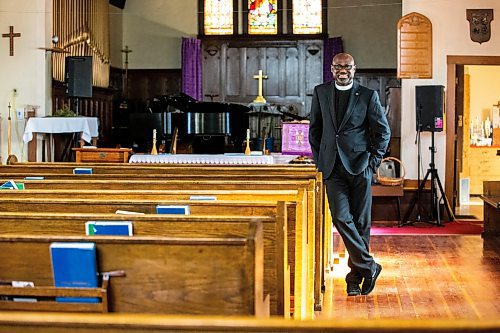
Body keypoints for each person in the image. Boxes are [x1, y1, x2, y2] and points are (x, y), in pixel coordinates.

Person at [309, 53, 390, 296]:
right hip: (332, 168)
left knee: (361, 223)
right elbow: (316, 130)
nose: (342, 70)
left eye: (347, 66)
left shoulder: (367, 95)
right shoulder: (321, 92)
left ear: (354, 69)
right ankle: (369, 265)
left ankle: (354, 279)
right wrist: (320, 160)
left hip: (360, 166)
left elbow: (382, 132)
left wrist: (372, 162)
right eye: (338, 67)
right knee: (342, 218)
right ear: (331, 69)